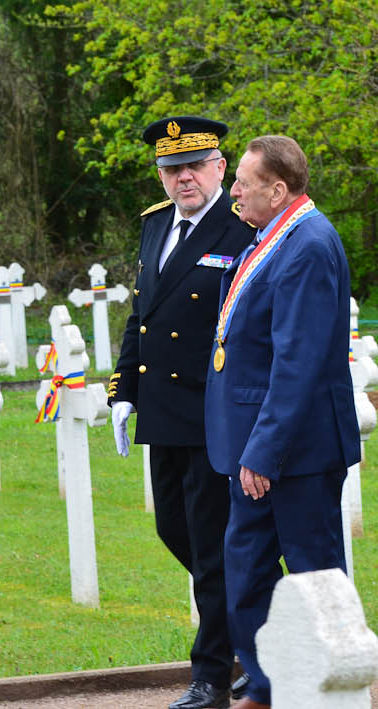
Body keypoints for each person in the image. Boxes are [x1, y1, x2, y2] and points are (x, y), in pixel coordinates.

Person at [203, 135, 361, 709]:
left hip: (295, 449)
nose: (235, 190)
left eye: (244, 181)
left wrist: (264, 451)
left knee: (316, 576)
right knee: (245, 570)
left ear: (279, 188)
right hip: (253, 440)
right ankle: (269, 684)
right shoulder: (270, 235)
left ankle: (334, 686)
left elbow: (298, 359)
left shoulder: (309, 243)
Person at [109, 115, 255, 709]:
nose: (183, 177)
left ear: (220, 168)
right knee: (176, 529)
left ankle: (211, 674)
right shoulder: (154, 227)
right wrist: (122, 390)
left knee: (213, 543)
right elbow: (140, 315)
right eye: (171, 169)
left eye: (194, 165)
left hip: (213, 411)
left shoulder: (243, 227)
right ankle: (251, 633)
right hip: (164, 411)